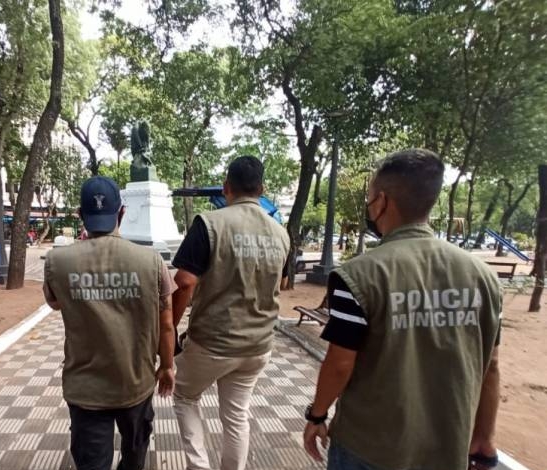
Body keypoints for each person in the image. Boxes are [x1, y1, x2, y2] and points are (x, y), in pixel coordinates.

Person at [303, 149, 501, 470]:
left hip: (367, 447)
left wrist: (317, 415)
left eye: (369, 198)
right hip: (446, 448)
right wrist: (483, 438)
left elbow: (340, 362)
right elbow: (490, 367)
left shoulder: (358, 275)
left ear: (381, 201)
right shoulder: (484, 277)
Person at [43, 175, 176, 470]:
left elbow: (54, 303)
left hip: (85, 387)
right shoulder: (151, 261)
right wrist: (166, 366)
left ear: (81, 216)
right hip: (136, 382)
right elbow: (166, 324)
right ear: (122, 213)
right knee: (134, 454)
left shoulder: (57, 262)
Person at [171, 155, 290, 470]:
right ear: (261, 188)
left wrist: (169, 329)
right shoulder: (280, 232)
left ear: (226, 188)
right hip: (258, 346)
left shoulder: (210, 223)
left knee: (184, 396)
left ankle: (199, 467)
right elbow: (284, 282)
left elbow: (184, 282)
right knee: (237, 414)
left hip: (213, 342)